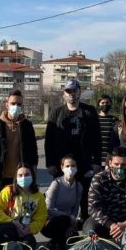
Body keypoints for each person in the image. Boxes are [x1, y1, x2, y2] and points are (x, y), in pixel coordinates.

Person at [45, 79, 101, 219]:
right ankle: (63, 223)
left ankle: (85, 224)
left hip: (84, 162)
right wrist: (50, 163)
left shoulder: (89, 111)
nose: (72, 94)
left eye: (74, 91)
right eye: (68, 91)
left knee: (86, 195)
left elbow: (97, 139)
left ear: (79, 92)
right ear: (64, 93)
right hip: (62, 164)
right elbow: (49, 141)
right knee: (61, 195)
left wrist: (97, 161)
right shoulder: (56, 113)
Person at [0, 89, 38, 197]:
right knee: (3, 210)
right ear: (7, 105)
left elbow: (33, 150)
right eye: (13, 103)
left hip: (22, 177)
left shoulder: (27, 125)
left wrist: (34, 173)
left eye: (19, 104)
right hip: (2, 176)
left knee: (22, 209)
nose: (16, 106)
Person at [0, 164, 47, 249]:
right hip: (9, 228)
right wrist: (12, 222)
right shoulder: (8, 191)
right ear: (16, 177)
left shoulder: (39, 196)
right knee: (7, 230)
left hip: (25, 231)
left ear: (33, 176)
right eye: (20, 175)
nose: (23, 178)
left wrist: (30, 229)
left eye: (27, 175)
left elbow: (41, 217)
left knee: (29, 244)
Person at [42, 155, 84, 250]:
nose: (70, 169)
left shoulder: (79, 186)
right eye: (67, 166)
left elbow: (75, 209)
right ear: (62, 167)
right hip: (50, 222)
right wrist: (68, 218)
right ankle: (55, 249)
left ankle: (53, 245)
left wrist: (71, 223)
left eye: (73, 166)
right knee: (62, 228)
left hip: (67, 223)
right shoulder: (56, 183)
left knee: (74, 241)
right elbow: (48, 208)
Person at [96, 95, 117, 166]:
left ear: (111, 104)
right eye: (102, 103)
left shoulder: (114, 120)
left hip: (110, 158)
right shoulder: (94, 119)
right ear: (98, 104)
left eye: (107, 103)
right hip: (96, 158)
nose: (105, 105)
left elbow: (116, 139)